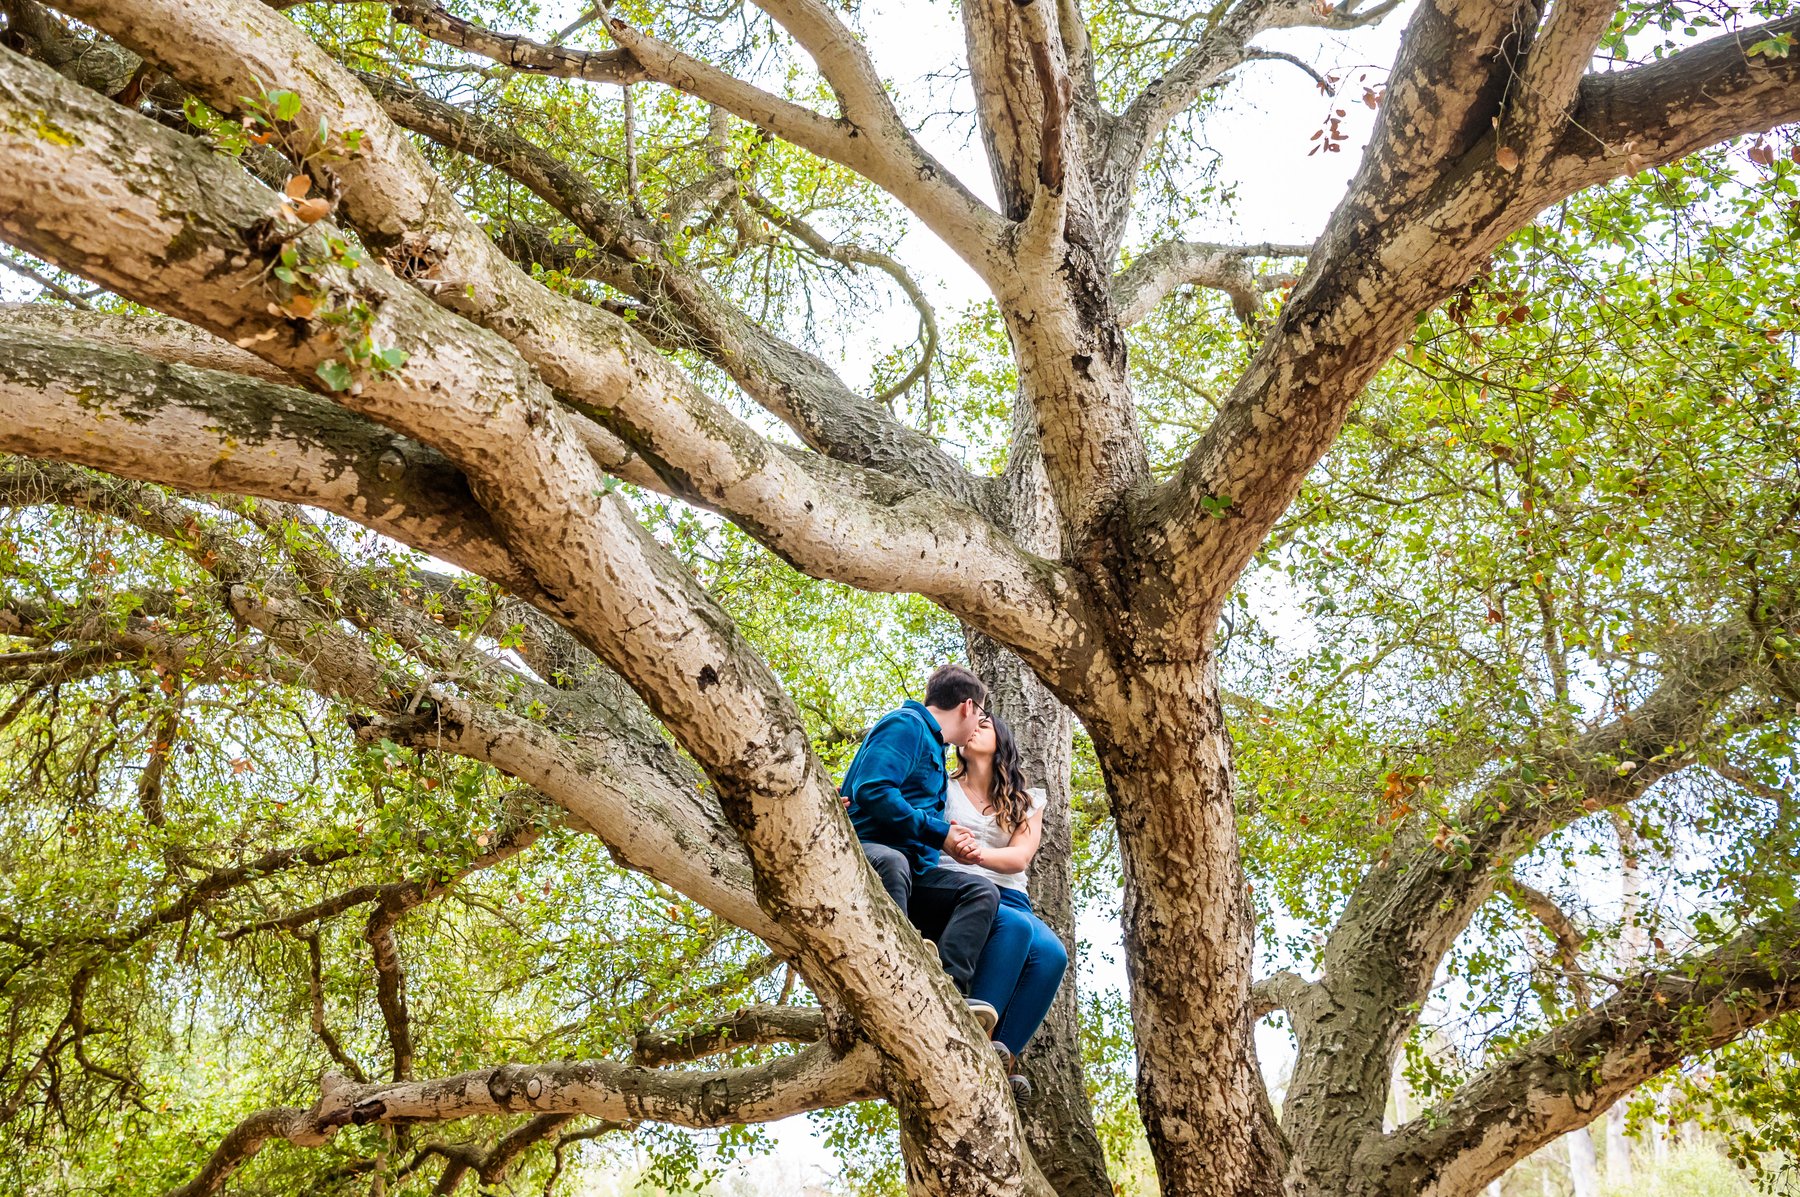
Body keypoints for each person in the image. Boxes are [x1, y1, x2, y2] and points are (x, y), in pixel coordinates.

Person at [840, 665, 1000, 1031]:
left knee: (979, 891)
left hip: (912, 870)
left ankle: (949, 997)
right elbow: (873, 790)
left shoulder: (937, 749)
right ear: (967, 706)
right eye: (981, 715)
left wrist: (948, 840)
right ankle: (900, 974)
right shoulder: (906, 725)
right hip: (869, 854)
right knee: (893, 862)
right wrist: (938, 832)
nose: (979, 725)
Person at [937, 710, 1068, 1100]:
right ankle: (980, 1042)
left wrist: (975, 852)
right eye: (971, 723)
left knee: (1051, 955)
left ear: (1002, 739)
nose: (975, 728)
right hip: (961, 890)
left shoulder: (1026, 800)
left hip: (1011, 893)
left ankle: (1004, 1057)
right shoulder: (942, 785)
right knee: (1016, 928)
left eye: (985, 724)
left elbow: (1018, 858)